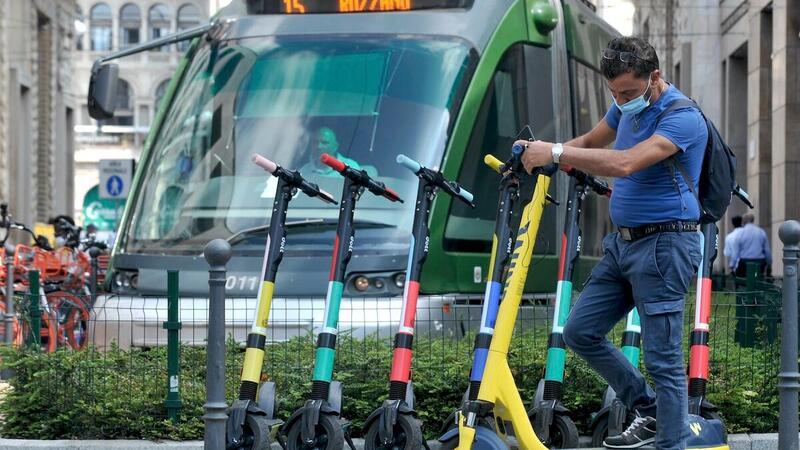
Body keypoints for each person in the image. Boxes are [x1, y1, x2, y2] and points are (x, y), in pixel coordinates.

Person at [518, 36, 706, 450]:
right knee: (580, 331)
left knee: (663, 361)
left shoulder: (682, 117)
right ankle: (649, 410)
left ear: (654, 77)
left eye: (628, 92)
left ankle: (671, 443)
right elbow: (588, 143)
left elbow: (625, 162)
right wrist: (535, 153)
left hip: (665, 247)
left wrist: (556, 151)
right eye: (614, 93)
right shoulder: (624, 107)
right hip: (622, 246)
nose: (620, 101)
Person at [730, 213, 771, 277]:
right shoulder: (761, 232)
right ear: (753, 220)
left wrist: (732, 265)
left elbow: (735, 252)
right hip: (759, 262)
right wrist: (769, 263)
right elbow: (767, 250)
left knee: (742, 280)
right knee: (758, 279)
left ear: (743, 221)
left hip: (744, 263)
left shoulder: (740, 233)